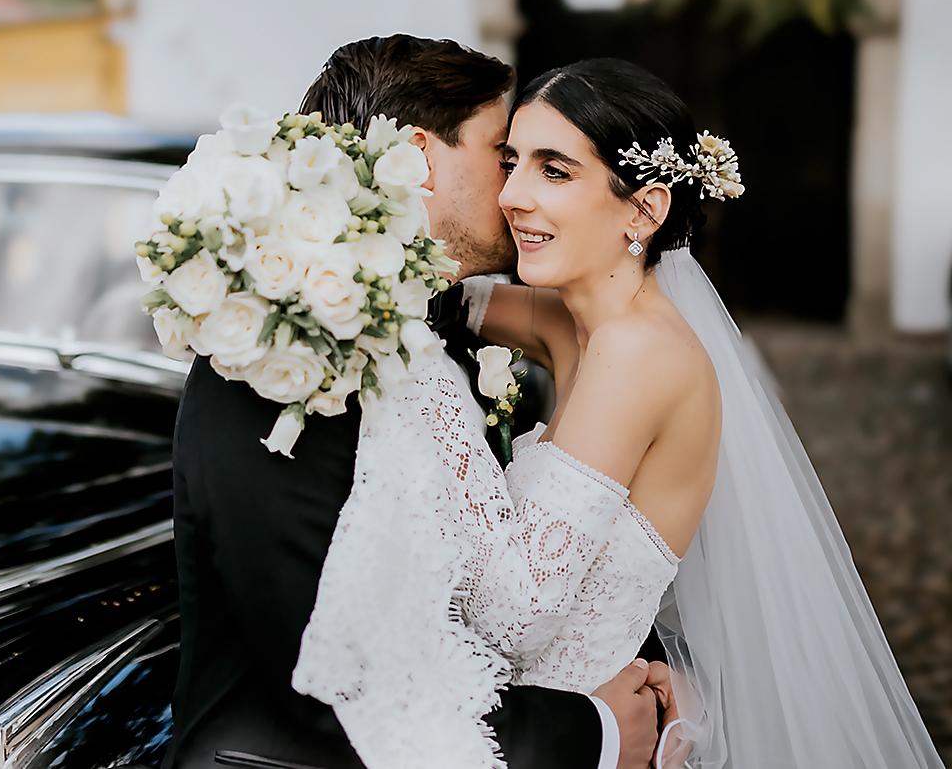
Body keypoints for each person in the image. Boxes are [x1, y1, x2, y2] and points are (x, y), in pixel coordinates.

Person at [299, 57, 942, 767]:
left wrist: (434, 409)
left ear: (645, 209)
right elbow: (426, 295)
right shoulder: (568, 321)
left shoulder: (641, 353)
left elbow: (512, 612)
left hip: (577, 738)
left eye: (555, 170)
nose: (512, 194)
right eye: (510, 162)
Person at [162, 38, 665, 769]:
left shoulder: (440, 320)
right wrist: (596, 729)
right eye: (502, 157)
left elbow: (517, 552)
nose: (516, 189)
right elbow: (339, 675)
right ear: (419, 157)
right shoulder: (287, 361)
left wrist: (619, 659)